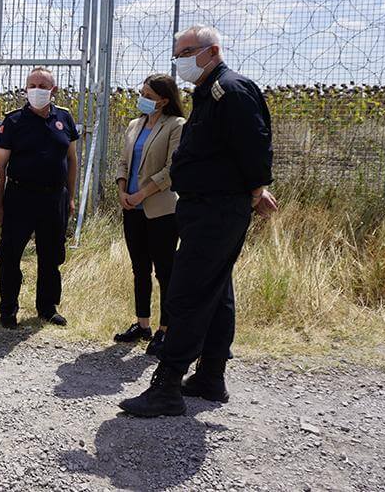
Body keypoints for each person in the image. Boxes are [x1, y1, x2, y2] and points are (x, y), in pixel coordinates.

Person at [119, 25, 278, 417]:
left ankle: (167, 385)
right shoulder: (208, 92)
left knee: (186, 294)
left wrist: (257, 190)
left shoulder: (232, 90)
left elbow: (254, 144)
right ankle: (210, 376)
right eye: (178, 53)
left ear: (212, 51)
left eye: (187, 51)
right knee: (217, 293)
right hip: (205, 208)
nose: (181, 60)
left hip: (217, 208)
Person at [0, 67, 77, 329]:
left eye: (43, 85)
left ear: (54, 90)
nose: (37, 89)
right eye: (32, 85)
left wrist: (70, 197)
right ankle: (8, 309)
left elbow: (72, 160)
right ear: (26, 89)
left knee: (52, 255)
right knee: (10, 254)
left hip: (54, 199)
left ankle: (47, 307)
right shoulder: (13, 121)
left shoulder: (64, 118)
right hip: (20, 198)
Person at [113, 74, 186, 356]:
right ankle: (142, 323)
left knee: (164, 271)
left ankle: (166, 330)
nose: (142, 98)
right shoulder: (135, 124)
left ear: (164, 100)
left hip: (160, 210)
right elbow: (123, 162)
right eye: (141, 92)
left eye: (149, 95)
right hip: (131, 208)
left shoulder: (176, 125)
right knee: (139, 267)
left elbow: (172, 169)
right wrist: (122, 192)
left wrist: (142, 194)